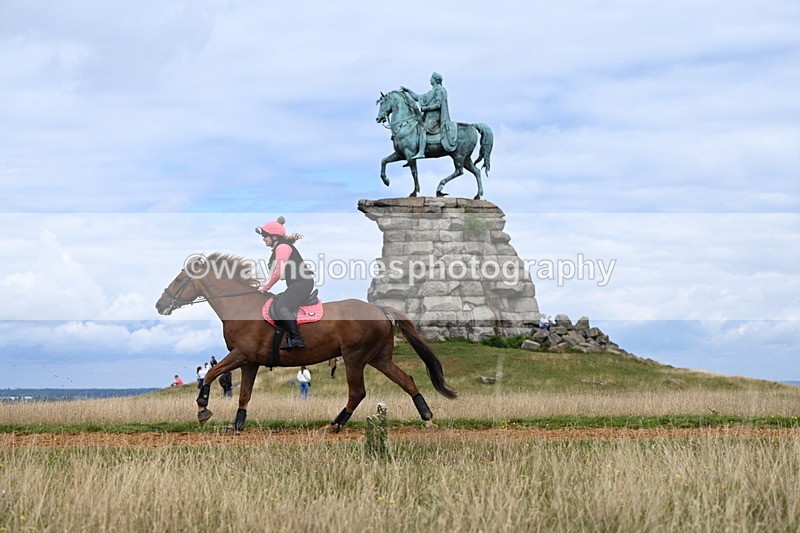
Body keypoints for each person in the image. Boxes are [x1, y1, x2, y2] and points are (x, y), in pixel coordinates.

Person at [255, 216, 315, 350]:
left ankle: (296, 339)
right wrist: (261, 285)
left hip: (302, 283)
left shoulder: (282, 247)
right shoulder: (279, 248)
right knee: (276, 302)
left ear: (275, 237)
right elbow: (272, 273)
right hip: (298, 284)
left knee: (282, 306)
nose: (263, 238)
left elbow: (278, 271)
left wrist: (266, 287)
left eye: (265, 236)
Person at [401, 72, 457, 158]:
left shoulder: (440, 90)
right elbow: (418, 97)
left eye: (431, 78)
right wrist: (409, 91)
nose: (430, 79)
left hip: (435, 117)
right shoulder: (431, 92)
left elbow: (438, 104)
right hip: (428, 117)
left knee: (422, 129)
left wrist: (426, 108)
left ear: (435, 80)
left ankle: (421, 152)